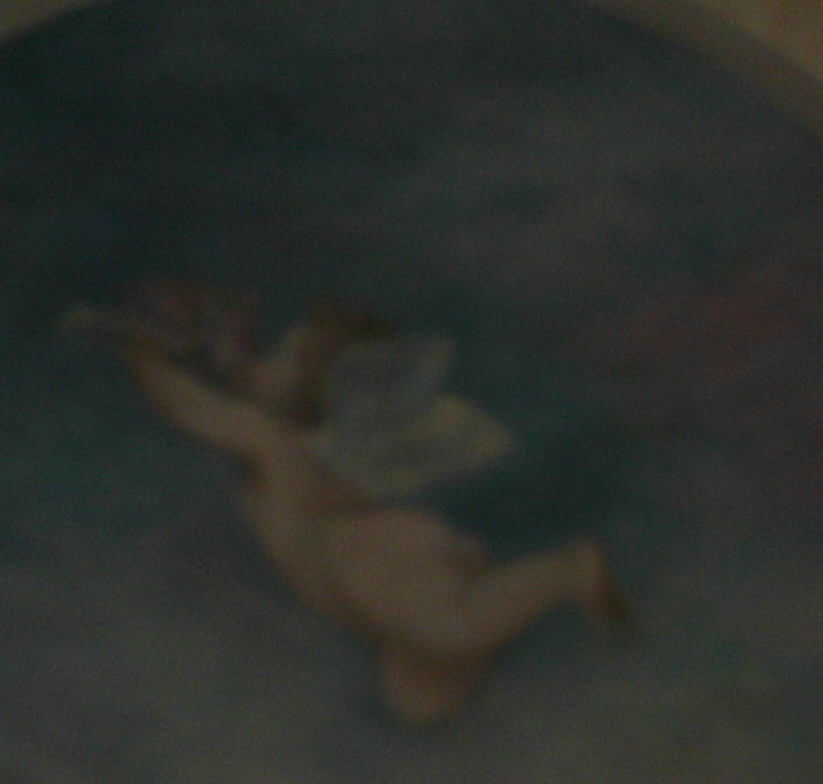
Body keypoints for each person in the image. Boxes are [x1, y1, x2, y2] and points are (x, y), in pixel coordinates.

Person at [66, 284, 630, 725]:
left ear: (313, 389)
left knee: (453, 629)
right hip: (378, 564)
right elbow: (231, 383)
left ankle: (568, 570)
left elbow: (191, 407)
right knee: (419, 700)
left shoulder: (273, 442)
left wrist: (141, 354)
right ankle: (488, 592)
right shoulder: (295, 448)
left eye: (287, 357)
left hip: (368, 557)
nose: (266, 363)